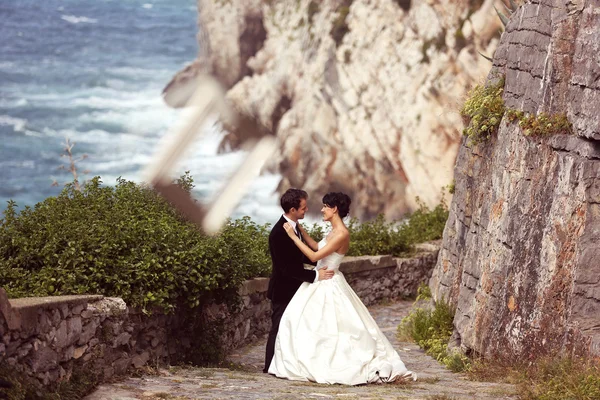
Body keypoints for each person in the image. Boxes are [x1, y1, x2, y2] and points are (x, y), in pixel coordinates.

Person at [268, 192, 416, 385]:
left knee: (332, 327)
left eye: (325, 206)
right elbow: (316, 248)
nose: (321, 209)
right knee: (302, 322)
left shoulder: (342, 234)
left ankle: (330, 362)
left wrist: (293, 238)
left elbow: (314, 257)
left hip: (328, 281)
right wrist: (301, 232)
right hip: (319, 280)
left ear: (334, 209)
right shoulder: (332, 231)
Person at [264, 188, 335, 373]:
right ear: (293, 210)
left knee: (295, 328)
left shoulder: (294, 227)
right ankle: (269, 366)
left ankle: (289, 364)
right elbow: (287, 268)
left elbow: (299, 256)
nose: (306, 210)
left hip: (297, 287)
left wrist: (319, 260)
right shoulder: (279, 233)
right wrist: (316, 276)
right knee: (278, 328)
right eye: (303, 208)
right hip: (283, 289)